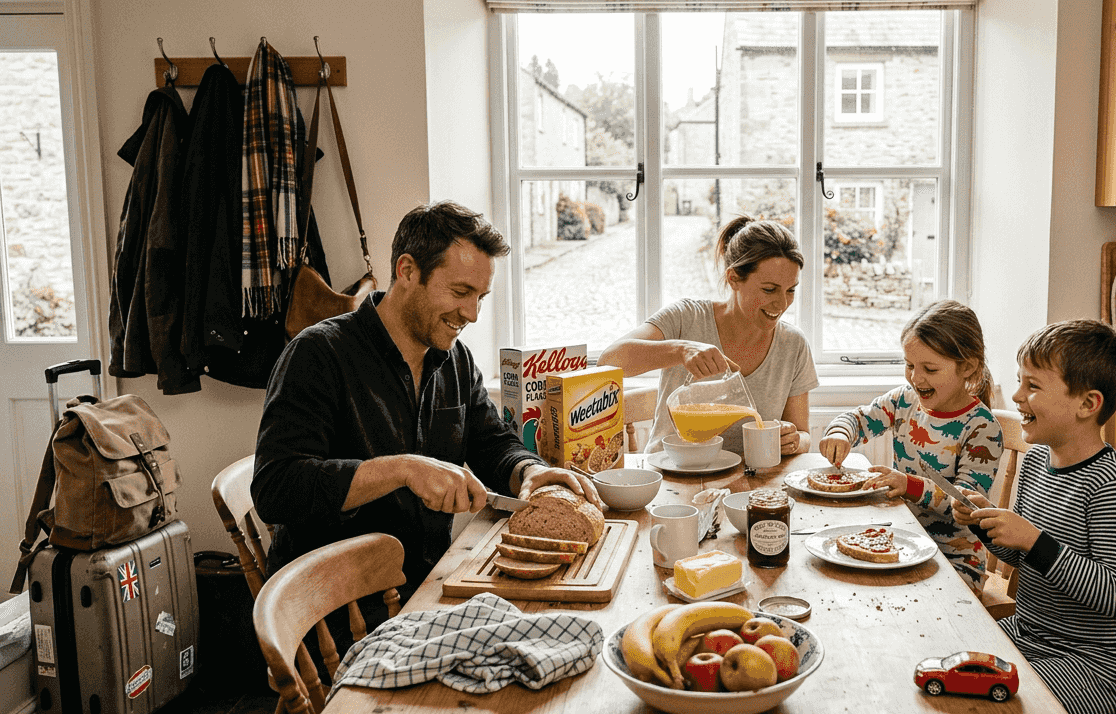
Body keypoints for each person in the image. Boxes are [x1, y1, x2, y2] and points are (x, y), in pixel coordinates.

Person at [252, 201, 599, 609]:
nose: (471, 313)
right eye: (460, 292)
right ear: (407, 271)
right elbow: (276, 490)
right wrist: (402, 469)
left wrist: (530, 471)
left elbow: (490, 444)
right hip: (338, 612)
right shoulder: (317, 354)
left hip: (427, 589)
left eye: (481, 296)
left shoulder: (455, 358)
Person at [953, 319, 1116, 714]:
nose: (1018, 395)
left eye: (1034, 386)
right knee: (947, 666)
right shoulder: (1037, 462)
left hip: (1094, 667)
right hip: (1029, 635)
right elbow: (1021, 554)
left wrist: (1034, 540)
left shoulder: (1114, 489)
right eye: (1019, 380)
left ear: (1087, 404)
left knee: (980, 701)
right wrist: (986, 523)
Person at [599, 214, 818, 458]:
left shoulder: (793, 345)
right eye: (769, 289)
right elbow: (608, 362)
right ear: (733, 278)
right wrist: (681, 350)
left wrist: (796, 440)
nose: (782, 303)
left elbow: (803, 434)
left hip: (750, 482)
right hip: (673, 474)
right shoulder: (686, 317)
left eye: (791, 290)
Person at [818, 300, 1003, 588]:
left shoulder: (982, 427)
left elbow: (966, 502)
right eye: (910, 365)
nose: (916, 378)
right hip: (901, 541)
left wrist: (909, 485)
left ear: (967, 367)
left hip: (955, 559)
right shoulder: (904, 400)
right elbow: (859, 418)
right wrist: (841, 433)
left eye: (930, 369)